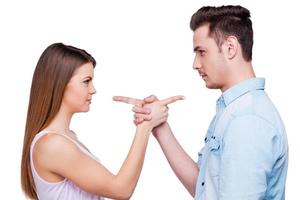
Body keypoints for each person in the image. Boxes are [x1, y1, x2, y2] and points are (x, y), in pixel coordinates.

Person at [113, 5, 288, 200]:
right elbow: (205, 189)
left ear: (230, 48)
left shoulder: (246, 120)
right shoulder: (235, 111)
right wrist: (160, 128)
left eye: (202, 52)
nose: (195, 64)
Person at [20, 43, 184, 200]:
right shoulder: (52, 144)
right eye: (86, 81)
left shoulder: (67, 138)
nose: (93, 89)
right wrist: (146, 125)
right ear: (60, 83)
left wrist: (147, 118)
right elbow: (121, 190)